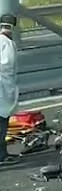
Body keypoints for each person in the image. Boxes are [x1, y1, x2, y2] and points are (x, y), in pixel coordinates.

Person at [0, 14, 19, 164]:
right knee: (2, 122)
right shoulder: (7, 43)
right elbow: (8, 66)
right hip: (3, 88)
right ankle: (1, 155)